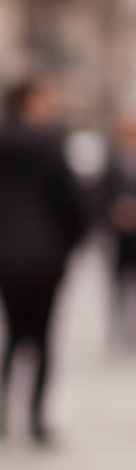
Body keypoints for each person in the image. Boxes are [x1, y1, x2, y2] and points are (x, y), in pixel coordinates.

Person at [0, 77, 86, 443]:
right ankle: (35, 418)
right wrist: (70, 243)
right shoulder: (51, 145)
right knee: (42, 336)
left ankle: (1, 413)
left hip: (2, 259)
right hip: (47, 257)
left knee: (10, 334)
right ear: (27, 103)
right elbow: (71, 202)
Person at [103, 110, 136, 347]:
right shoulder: (113, 161)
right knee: (118, 283)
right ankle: (118, 328)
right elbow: (100, 194)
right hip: (119, 233)